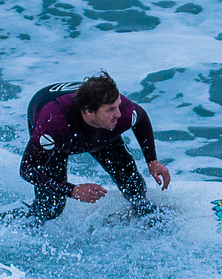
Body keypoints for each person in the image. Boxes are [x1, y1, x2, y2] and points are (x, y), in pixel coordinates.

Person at [19, 71, 171, 221]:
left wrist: (152, 161)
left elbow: (141, 118)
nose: (118, 113)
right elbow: (28, 169)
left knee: (134, 187)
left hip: (101, 131)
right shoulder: (53, 124)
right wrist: (73, 190)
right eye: (111, 110)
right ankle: (25, 220)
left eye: (117, 106)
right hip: (59, 136)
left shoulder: (121, 113)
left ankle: (147, 218)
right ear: (89, 111)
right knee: (51, 207)